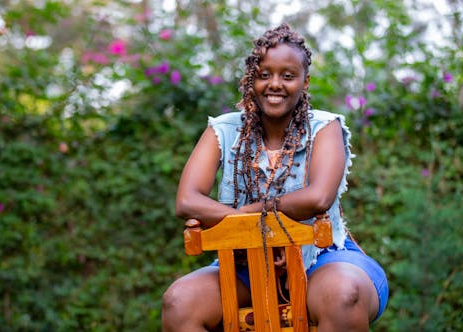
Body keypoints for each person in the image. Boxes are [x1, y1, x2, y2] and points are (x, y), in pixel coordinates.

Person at [162, 23, 388, 332]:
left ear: (305, 82)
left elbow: (318, 198)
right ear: (251, 79)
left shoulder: (324, 127)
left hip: (322, 260)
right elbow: (187, 200)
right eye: (264, 74)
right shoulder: (224, 129)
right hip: (243, 265)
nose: (275, 84)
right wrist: (253, 235)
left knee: (343, 296)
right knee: (179, 303)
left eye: (288, 75)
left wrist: (251, 213)